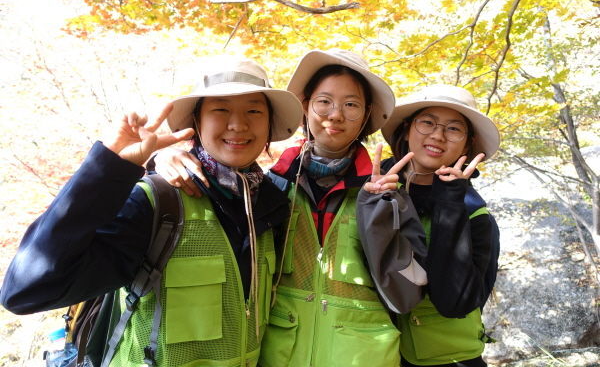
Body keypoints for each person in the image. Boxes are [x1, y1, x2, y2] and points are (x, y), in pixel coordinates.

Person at [0, 56, 304, 366]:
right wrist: (110, 167)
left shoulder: (271, 206)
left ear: (269, 124)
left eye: (254, 110)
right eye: (220, 109)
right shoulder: (158, 205)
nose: (238, 124)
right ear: (196, 122)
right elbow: (26, 292)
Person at [153, 49, 428, 367]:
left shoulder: (391, 195)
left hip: (363, 358)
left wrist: (377, 214)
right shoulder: (270, 186)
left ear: (366, 116)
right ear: (305, 107)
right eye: (324, 101)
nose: (335, 115)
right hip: (279, 356)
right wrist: (161, 157)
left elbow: (409, 295)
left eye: (351, 105)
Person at [363, 84, 501, 367]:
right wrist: (372, 202)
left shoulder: (474, 212)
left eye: (453, 129)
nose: (438, 135)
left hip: (446, 357)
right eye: (427, 122)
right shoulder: (367, 187)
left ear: (467, 145)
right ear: (406, 129)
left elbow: (457, 302)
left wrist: (450, 203)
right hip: (367, 351)